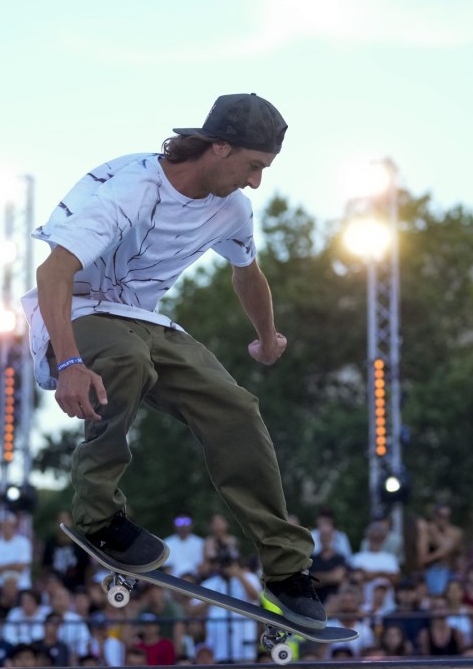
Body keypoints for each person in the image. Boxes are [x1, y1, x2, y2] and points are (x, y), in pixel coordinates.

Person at [24, 93, 324, 627]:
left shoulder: (232, 208)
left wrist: (269, 336)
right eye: (253, 166)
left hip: (145, 321)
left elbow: (246, 271)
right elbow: (54, 274)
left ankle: (285, 567)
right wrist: (69, 364)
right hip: (77, 312)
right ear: (219, 147)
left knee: (234, 406)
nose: (256, 182)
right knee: (127, 358)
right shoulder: (131, 189)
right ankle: (98, 514)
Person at [417, 503, 464, 596]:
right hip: (430, 572)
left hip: (449, 573)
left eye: (447, 516)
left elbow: (454, 553)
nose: (444, 520)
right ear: (435, 516)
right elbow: (421, 560)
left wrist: (435, 534)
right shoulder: (425, 532)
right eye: (440, 516)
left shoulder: (455, 533)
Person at [164, 515, 205, 580]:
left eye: (186, 522)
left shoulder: (200, 542)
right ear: (174, 525)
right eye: (179, 522)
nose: (183, 525)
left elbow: (201, 567)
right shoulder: (167, 542)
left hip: (196, 581)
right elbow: (168, 569)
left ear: (191, 525)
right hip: (174, 582)